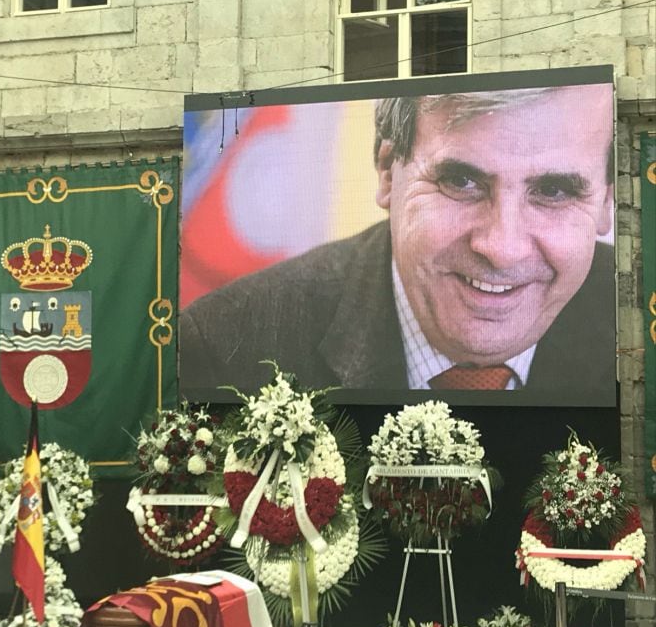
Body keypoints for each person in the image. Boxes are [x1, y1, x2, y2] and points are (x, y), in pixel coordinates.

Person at [181, 85, 616, 400]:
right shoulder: (223, 347)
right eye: (461, 181)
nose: (502, 248)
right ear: (388, 171)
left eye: (554, 192)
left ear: (606, 201)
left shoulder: (638, 342)